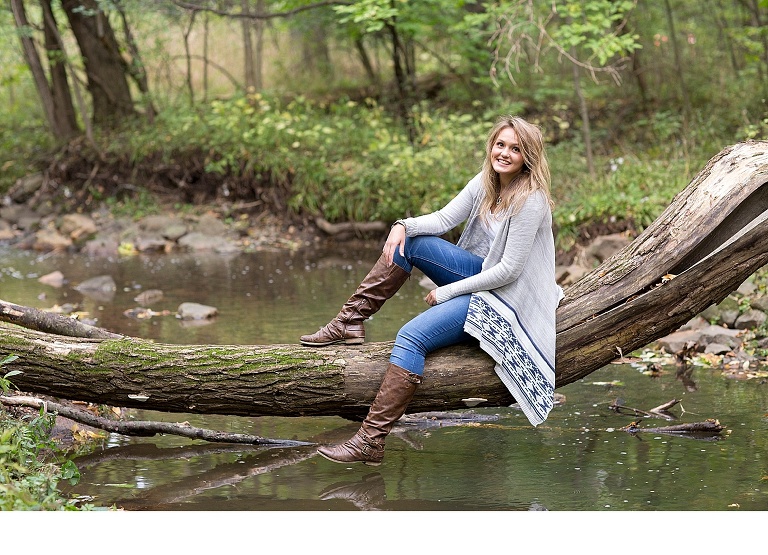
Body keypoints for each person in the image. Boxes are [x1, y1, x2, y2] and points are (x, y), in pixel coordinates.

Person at [300, 115, 562, 466]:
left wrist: (449, 292)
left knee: (411, 336)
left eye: (515, 149)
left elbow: (509, 271)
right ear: (491, 146)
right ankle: (349, 320)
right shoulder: (487, 182)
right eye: (500, 144)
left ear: (528, 156)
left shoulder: (530, 200)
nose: (504, 153)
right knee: (414, 241)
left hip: (506, 300)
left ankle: (369, 442)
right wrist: (401, 226)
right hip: (485, 278)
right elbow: (441, 219)